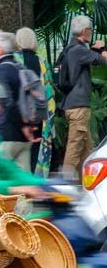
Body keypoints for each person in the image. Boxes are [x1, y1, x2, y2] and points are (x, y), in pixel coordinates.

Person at [60, 15, 107, 176]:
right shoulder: (79, 50)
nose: (92, 32)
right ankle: (65, 186)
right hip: (78, 107)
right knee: (74, 148)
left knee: (87, 151)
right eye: (91, 29)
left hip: (73, 105)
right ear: (85, 30)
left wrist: (93, 50)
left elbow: (87, 58)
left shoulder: (71, 49)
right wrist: (101, 48)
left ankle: (85, 188)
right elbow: (104, 60)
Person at [0, 30, 38, 172]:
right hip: (23, 139)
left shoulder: (1, 71)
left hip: (6, 137)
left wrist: (21, 125)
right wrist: (27, 125)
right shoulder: (20, 67)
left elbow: (6, 103)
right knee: (23, 185)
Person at [15, 27, 56, 177]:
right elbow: (49, 92)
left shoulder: (13, 59)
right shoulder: (42, 62)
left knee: (19, 153)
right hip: (39, 116)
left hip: (19, 116)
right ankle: (34, 182)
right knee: (35, 152)